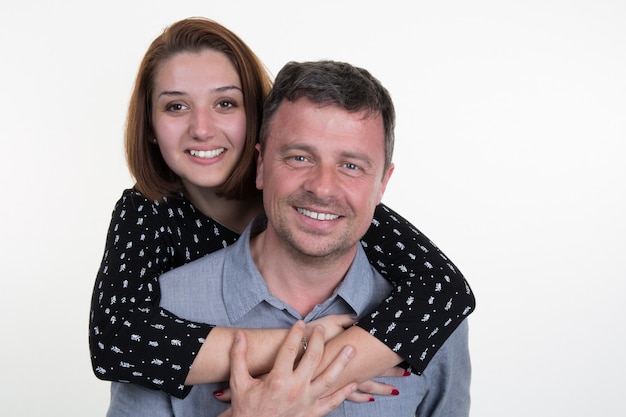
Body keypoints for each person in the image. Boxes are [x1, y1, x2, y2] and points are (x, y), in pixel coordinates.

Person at [89, 16, 475, 402]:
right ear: (150, 125)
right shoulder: (148, 213)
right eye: (176, 106)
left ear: (256, 116)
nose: (202, 128)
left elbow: (446, 291)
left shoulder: (319, 201)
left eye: (225, 103)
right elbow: (115, 341)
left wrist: (343, 359)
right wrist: (309, 351)